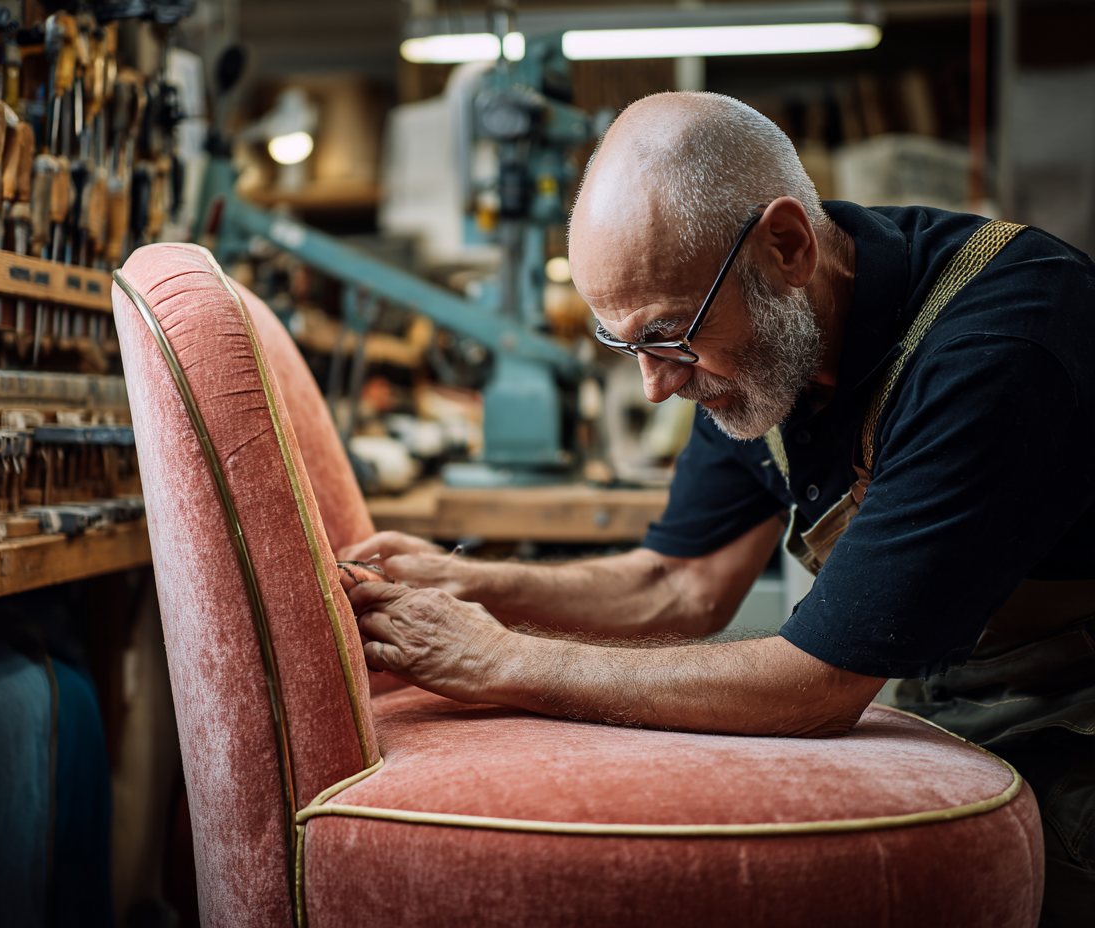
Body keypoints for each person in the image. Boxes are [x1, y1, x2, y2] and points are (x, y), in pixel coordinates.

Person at [339, 92, 1095, 926]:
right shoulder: (769, 348)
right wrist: (468, 582)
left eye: (668, 336)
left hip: (1076, 730)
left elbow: (819, 682)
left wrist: (500, 664)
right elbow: (680, 582)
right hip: (954, 702)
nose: (656, 385)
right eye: (627, 345)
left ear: (788, 246)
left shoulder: (995, 349)